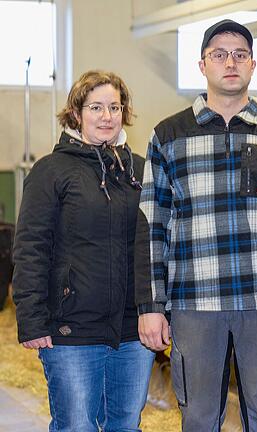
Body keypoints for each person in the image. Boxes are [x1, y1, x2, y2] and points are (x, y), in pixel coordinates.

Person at [135, 19, 257, 431]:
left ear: (253, 65)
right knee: (199, 418)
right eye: (219, 55)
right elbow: (153, 226)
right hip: (194, 304)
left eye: (239, 55)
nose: (230, 63)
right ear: (203, 65)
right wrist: (151, 306)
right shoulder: (168, 136)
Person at [12, 70, 153, 432]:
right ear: (76, 113)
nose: (107, 116)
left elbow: (153, 244)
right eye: (96, 107)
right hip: (70, 329)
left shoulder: (139, 170)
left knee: (126, 424)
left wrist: (157, 310)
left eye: (115, 107)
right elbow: (30, 247)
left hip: (132, 329)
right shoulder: (51, 171)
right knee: (76, 425)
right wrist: (31, 320)